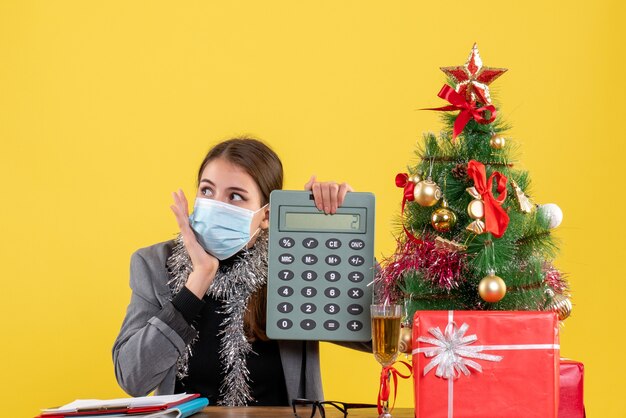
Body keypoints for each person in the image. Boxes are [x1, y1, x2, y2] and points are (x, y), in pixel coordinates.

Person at [112, 137, 368, 407]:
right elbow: (132, 378)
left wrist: (339, 235)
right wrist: (196, 282)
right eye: (207, 191)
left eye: (235, 196)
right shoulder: (153, 264)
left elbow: (373, 337)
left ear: (267, 215)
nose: (216, 205)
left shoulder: (293, 262)